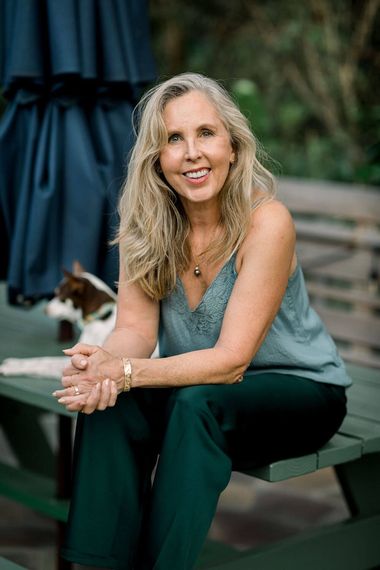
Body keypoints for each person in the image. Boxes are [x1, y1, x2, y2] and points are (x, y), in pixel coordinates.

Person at [53, 73, 351, 570]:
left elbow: (232, 363)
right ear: (157, 158)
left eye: (206, 134)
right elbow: (136, 332)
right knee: (110, 406)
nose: (191, 152)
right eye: (174, 139)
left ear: (232, 146)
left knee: (194, 404)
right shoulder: (145, 225)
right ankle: (97, 565)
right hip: (203, 388)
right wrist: (104, 365)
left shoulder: (266, 222)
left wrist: (126, 373)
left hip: (300, 392)